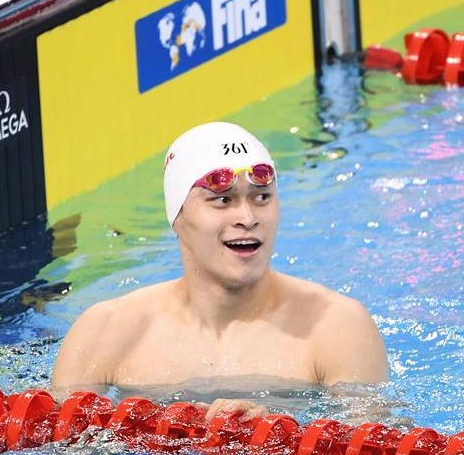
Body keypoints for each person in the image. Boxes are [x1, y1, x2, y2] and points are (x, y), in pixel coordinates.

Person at [51, 121, 388, 420]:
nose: (248, 217)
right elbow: (61, 453)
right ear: (177, 217)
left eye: (262, 197)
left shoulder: (336, 327)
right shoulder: (106, 332)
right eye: (223, 200)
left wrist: (275, 435)